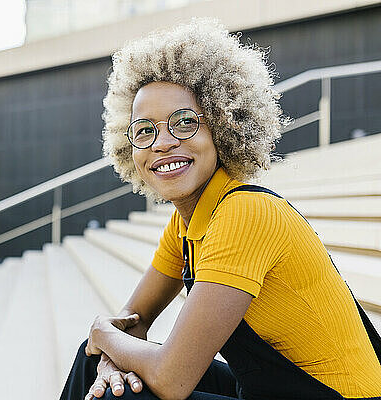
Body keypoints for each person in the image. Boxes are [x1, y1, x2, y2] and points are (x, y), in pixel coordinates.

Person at [59, 17, 381, 400]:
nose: (161, 143)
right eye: (144, 130)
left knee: (118, 393)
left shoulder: (245, 213)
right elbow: (133, 321)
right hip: (272, 389)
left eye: (183, 123)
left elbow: (172, 380)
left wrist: (105, 335)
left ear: (223, 126)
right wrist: (109, 349)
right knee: (92, 359)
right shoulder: (189, 222)